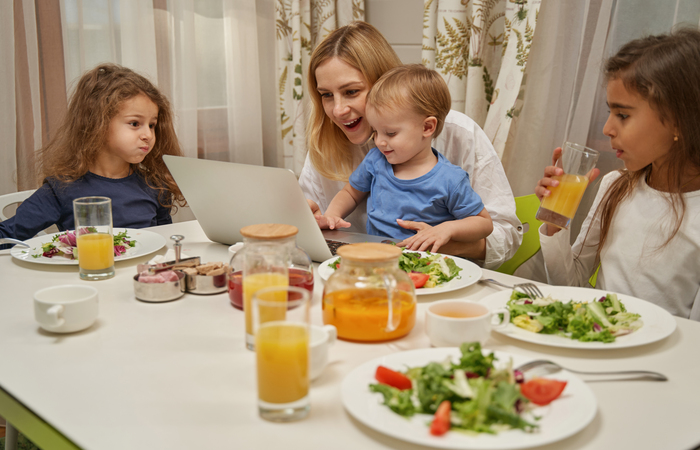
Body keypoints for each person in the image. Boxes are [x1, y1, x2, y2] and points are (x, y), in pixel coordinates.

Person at [299, 21, 521, 268]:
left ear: (384, 83)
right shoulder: (325, 145)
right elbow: (325, 219)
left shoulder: (459, 136)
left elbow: (506, 235)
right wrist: (308, 222)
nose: (338, 110)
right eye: (326, 95)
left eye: (351, 91)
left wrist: (434, 241)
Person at [535, 28, 700, 320]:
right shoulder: (615, 187)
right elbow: (570, 285)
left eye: (622, 115)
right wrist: (554, 216)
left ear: (679, 121)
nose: (607, 128)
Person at [0, 63, 186, 243]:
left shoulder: (156, 185)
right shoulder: (61, 189)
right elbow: (8, 235)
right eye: (135, 123)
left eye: (152, 125)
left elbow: (164, 243)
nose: (148, 135)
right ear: (98, 123)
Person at [319, 65, 493, 253]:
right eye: (376, 132)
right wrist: (332, 214)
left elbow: (484, 223)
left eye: (391, 133)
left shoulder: (451, 180)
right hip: (378, 259)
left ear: (427, 127)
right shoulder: (376, 160)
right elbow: (351, 194)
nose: (380, 142)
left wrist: (447, 230)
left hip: (427, 265)